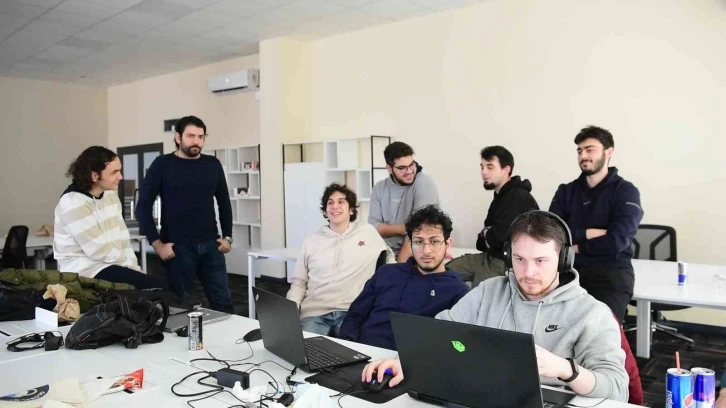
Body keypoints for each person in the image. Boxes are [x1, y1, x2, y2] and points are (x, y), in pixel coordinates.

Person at [362, 211, 629, 402]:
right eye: (519, 259)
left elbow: (618, 389)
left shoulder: (591, 313)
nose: (528, 272)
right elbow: (440, 331)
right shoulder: (490, 291)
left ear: (563, 260)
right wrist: (405, 360)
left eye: (540, 261)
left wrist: (566, 369)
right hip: (479, 396)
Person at [136, 116, 234, 313]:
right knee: (180, 307)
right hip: (177, 248)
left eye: (200, 136)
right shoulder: (162, 164)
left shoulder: (212, 164)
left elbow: (224, 201)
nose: (196, 141)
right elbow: (143, 207)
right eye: (191, 136)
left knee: (224, 304)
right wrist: (157, 244)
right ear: (178, 137)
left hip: (211, 245)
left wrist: (228, 236)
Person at [340, 205, 469, 350]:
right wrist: (349, 347)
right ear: (410, 244)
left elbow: (458, 346)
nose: (426, 250)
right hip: (360, 354)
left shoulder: (458, 292)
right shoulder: (386, 273)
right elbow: (355, 315)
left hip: (407, 361)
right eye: (419, 242)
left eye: (434, 241)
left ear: (447, 244)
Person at [549, 125, 643, 323]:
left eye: (589, 149)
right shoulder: (566, 191)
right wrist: (589, 233)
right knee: (551, 326)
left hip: (610, 274)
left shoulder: (626, 192)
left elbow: (616, 242)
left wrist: (575, 246)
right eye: (579, 151)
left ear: (609, 152)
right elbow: (551, 235)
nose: (583, 155)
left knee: (600, 329)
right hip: (569, 271)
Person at [286, 183, 395, 336]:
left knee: (352, 349)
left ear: (351, 210)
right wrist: (291, 307)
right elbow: (299, 282)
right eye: (330, 202)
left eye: (341, 201)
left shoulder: (367, 233)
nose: (335, 206)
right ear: (325, 210)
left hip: (351, 311)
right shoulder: (311, 241)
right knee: (304, 348)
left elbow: (389, 259)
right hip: (315, 312)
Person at [53, 146, 162, 289]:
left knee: (154, 288)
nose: (120, 177)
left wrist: (134, 267)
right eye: (114, 172)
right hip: (84, 270)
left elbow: (123, 238)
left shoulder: (110, 195)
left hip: (110, 265)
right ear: (94, 176)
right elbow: (98, 251)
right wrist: (129, 269)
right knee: (154, 288)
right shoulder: (73, 203)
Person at [447, 146, 539, 287]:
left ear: (506, 170)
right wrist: (487, 235)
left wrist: (487, 234)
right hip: (489, 256)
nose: (484, 172)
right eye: (482, 167)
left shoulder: (516, 196)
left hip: (504, 262)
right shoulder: (500, 197)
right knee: (443, 272)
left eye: (490, 167)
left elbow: (498, 239)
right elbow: (481, 243)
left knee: (479, 296)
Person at [368, 142, 439, 262]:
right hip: (382, 251)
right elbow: (373, 227)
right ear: (389, 168)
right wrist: (405, 227)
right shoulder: (379, 188)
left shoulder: (423, 183)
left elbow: (419, 230)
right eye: (402, 168)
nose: (409, 171)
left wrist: (399, 266)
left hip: (414, 253)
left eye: (412, 164)